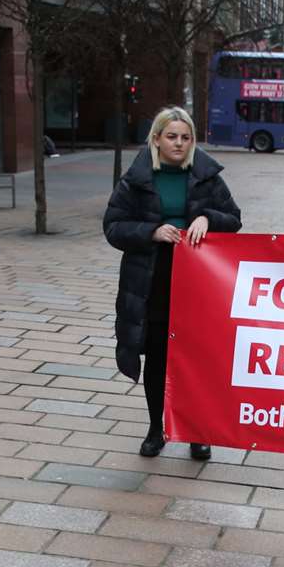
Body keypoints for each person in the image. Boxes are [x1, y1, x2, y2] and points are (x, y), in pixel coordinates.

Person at [102, 106, 241, 460]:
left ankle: (197, 432)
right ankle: (157, 428)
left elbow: (234, 219)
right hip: (152, 279)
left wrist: (208, 219)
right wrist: (150, 231)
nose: (179, 143)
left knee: (195, 359)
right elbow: (114, 226)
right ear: (157, 139)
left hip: (198, 280)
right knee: (160, 358)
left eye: (185, 137)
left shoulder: (207, 176)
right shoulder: (137, 178)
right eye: (171, 136)